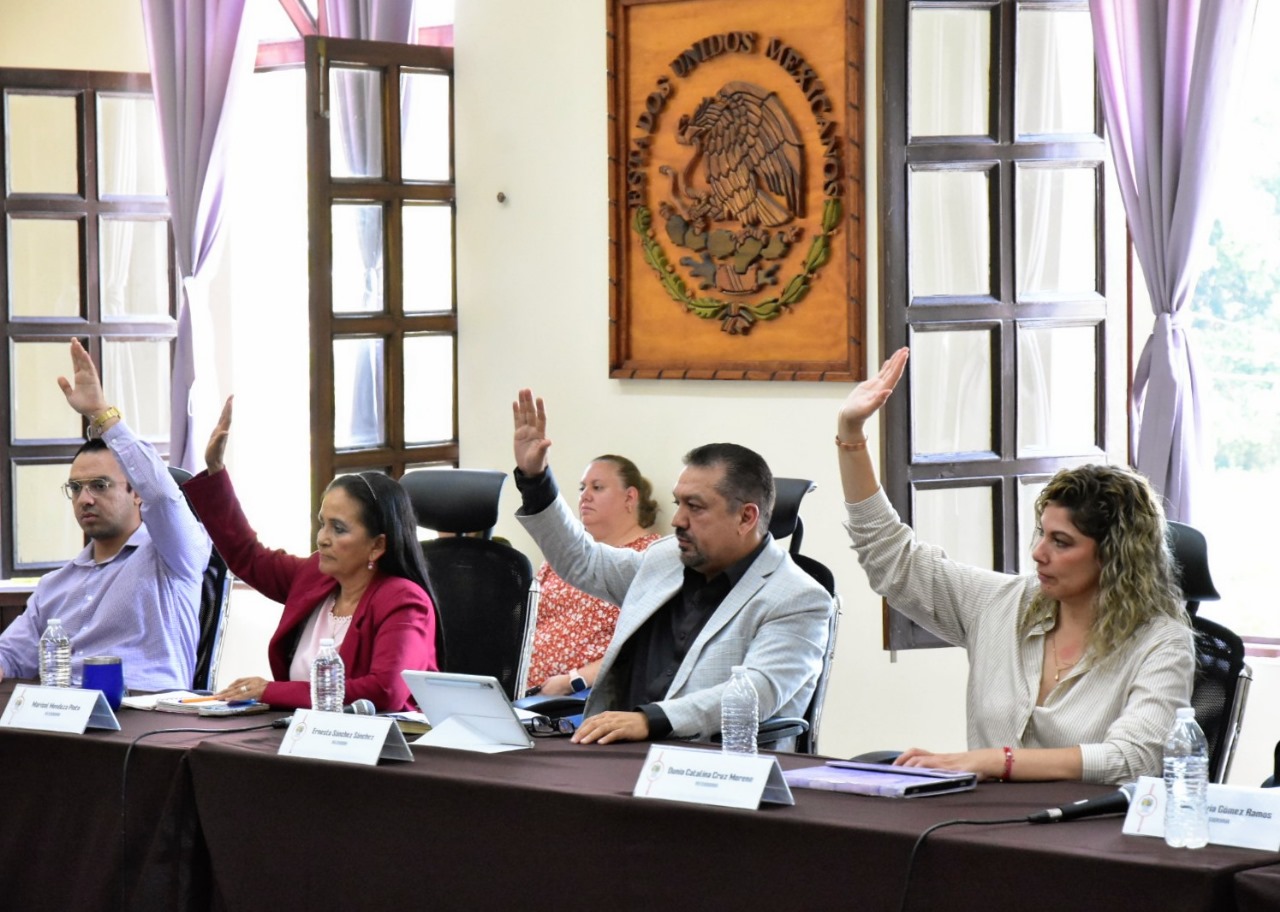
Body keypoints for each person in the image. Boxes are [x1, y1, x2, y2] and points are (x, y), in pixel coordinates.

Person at [838, 347, 1194, 785]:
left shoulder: (1162, 643)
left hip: (1087, 823)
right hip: (976, 818)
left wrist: (994, 761)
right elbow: (891, 557)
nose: (1038, 553)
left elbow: (1132, 760)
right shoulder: (1002, 604)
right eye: (1042, 534)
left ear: (1115, 557)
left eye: (1061, 542)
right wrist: (851, 435)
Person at [512, 389, 832, 746]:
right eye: (678, 503)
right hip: (616, 753)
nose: (678, 519)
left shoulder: (799, 598)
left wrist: (650, 720)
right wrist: (536, 479)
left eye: (695, 507)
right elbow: (583, 561)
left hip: (710, 765)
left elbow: (757, 692)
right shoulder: (666, 558)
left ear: (746, 517)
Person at [183, 397, 438, 711]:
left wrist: (270, 691)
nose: (323, 539)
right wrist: (216, 471)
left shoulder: (403, 600)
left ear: (377, 545)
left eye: (338, 529)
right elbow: (248, 556)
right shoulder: (314, 574)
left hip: (383, 738)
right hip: (306, 730)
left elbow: (385, 691)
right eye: (322, 524)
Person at [0, 340, 210, 691]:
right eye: (76, 488)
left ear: (136, 492)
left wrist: (102, 415)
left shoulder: (174, 557)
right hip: (64, 712)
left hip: (143, 715)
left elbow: (163, 495)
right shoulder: (55, 586)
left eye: (99, 485)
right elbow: (10, 654)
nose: (85, 499)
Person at [524, 455, 662, 696]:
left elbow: (649, 647)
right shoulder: (561, 558)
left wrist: (574, 680)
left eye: (597, 488)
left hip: (585, 696)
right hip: (526, 692)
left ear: (630, 497)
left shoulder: (650, 558)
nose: (585, 496)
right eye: (582, 488)